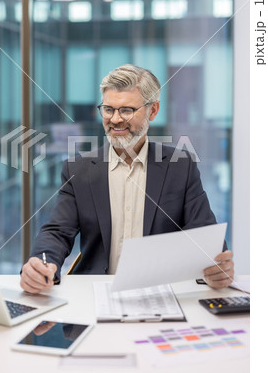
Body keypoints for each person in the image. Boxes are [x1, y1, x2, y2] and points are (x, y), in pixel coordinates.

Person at [20, 64, 234, 294]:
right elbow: (57, 231)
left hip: (162, 294)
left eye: (127, 110)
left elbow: (204, 237)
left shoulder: (180, 167)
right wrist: (42, 263)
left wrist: (217, 267)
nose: (115, 119)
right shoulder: (78, 169)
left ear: (153, 111)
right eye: (109, 109)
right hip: (95, 295)